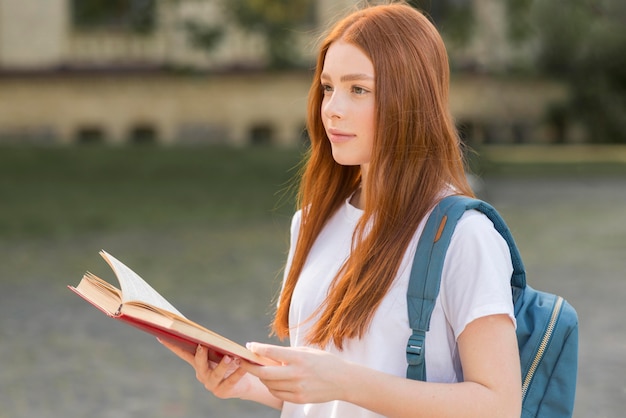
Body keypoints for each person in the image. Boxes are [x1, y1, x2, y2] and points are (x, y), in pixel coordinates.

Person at [161, 2, 522, 417]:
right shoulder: (313, 222)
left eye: (358, 89)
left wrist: (344, 381)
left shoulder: (463, 236)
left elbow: (500, 406)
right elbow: (323, 396)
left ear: (410, 99)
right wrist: (248, 383)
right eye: (328, 87)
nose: (332, 107)